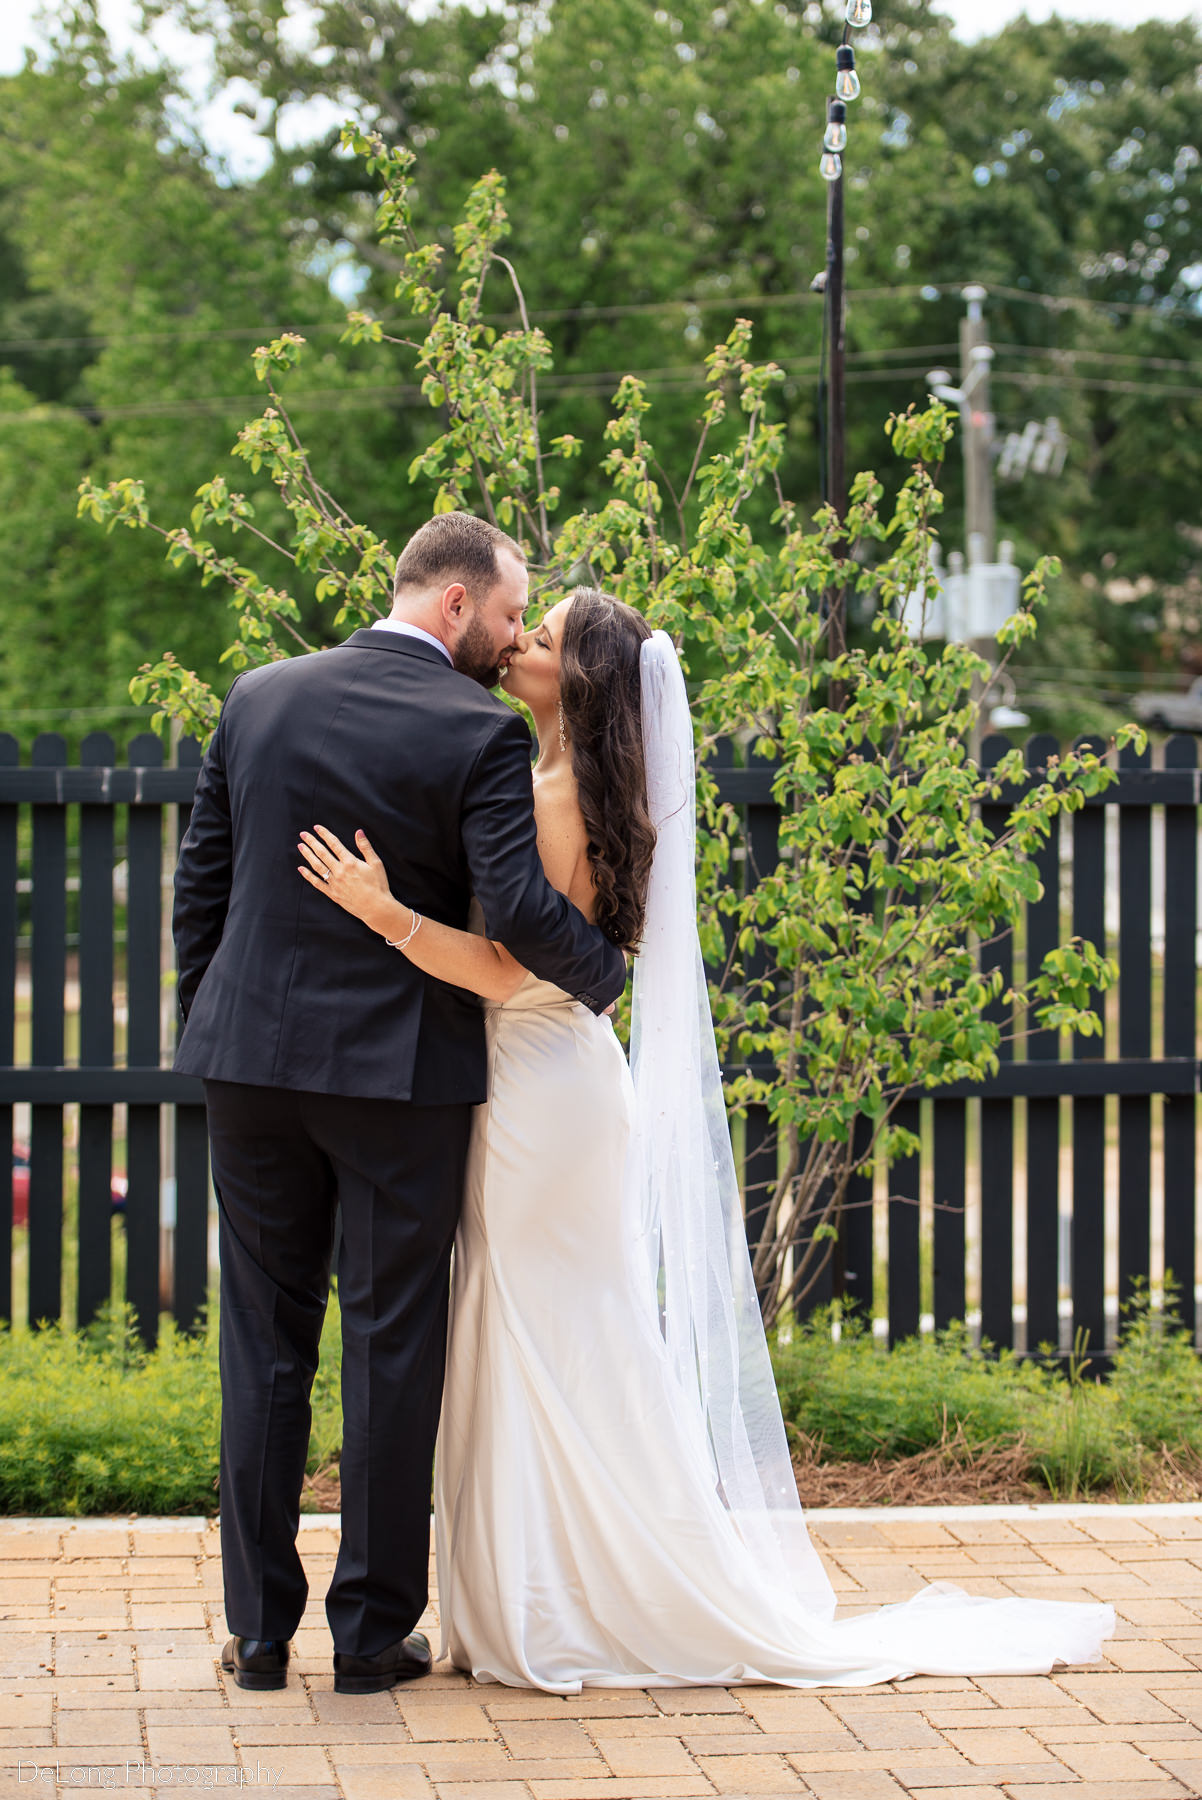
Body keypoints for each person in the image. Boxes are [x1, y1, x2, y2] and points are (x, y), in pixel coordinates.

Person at [300, 586, 1115, 1692]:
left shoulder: (557, 792)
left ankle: (580, 1599)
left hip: (537, 1089)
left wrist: (383, 912)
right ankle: (545, 1592)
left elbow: (506, 968)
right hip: (549, 1083)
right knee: (545, 1332)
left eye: (539, 640)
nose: (518, 646)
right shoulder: (561, 777)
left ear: (577, 679)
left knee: (550, 1338)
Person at [173, 515, 627, 1696]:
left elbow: (202, 886)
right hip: (398, 1079)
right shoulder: (475, 731)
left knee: (264, 1345)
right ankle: (371, 1637)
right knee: (388, 1345)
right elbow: (522, 913)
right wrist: (608, 979)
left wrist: (218, 1018)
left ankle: (258, 1635)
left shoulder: (256, 693)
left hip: (250, 1063)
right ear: (453, 606)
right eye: (506, 615)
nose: (510, 639)